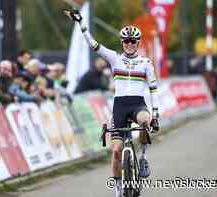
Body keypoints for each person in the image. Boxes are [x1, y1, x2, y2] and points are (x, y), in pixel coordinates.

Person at [66, 9, 160, 197]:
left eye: (133, 41)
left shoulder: (145, 62)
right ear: (122, 42)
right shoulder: (114, 58)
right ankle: (118, 191)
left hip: (137, 105)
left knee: (145, 121)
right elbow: (93, 45)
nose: (130, 44)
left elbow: (153, 88)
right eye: (126, 41)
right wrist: (81, 24)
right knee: (116, 151)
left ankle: (142, 158)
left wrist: (155, 113)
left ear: (138, 42)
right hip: (119, 107)